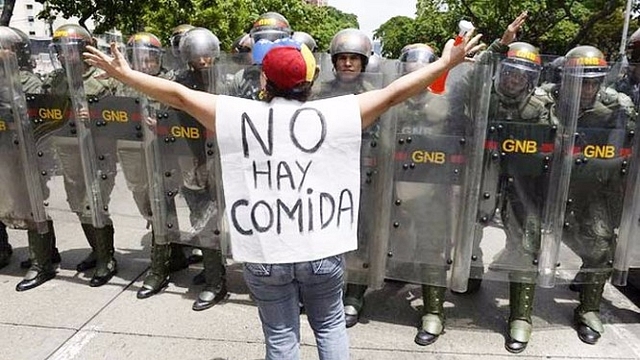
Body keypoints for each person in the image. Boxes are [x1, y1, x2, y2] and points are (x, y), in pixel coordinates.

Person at [84, 29, 482, 360]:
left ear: (263, 81)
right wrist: (446, 63)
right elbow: (397, 91)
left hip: (265, 254)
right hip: (322, 252)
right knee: (329, 329)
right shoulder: (339, 113)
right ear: (309, 83)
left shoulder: (237, 114)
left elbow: (179, 96)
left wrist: (125, 74)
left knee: (281, 339)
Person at [551, 45, 637, 345]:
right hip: (547, 182)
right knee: (529, 238)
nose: (587, 88)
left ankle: (589, 309)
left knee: (601, 245)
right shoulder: (547, 99)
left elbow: (626, 145)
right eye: (580, 80)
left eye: (593, 81)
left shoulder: (617, 106)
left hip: (593, 184)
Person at [44, 24, 121, 287]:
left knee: (94, 203)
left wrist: (97, 115)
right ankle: (97, 250)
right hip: (68, 149)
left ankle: (107, 259)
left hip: (100, 151)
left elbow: (122, 115)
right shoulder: (56, 79)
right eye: (61, 52)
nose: (65, 57)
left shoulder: (106, 77)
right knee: (77, 202)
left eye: (70, 51)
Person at [315, 28, 378, 328]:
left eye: (354, 58)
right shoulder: (319, 92)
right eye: (343, 59)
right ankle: (326, 291)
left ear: (364, 62)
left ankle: (354, 295)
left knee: (360, 237)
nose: (348, 64)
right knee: (324, 234)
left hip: (364, 175)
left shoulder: (374, 95)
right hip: (326, 175)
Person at [171, 27, 228, 311]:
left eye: (207, 55)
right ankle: (214, 277)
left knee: (228, 221)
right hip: (192, 160)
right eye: (197, 56)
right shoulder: (179, 83)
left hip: (225, 161)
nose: (203, 61)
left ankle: (217, 276)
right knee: (202, 220)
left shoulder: (226, 81)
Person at [0, 26, 58, 291]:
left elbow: (39, 119)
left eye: (5, 48)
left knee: (32, 206)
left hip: (26, 153)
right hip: (3, 152)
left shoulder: (28, 81)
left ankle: (41, 262)